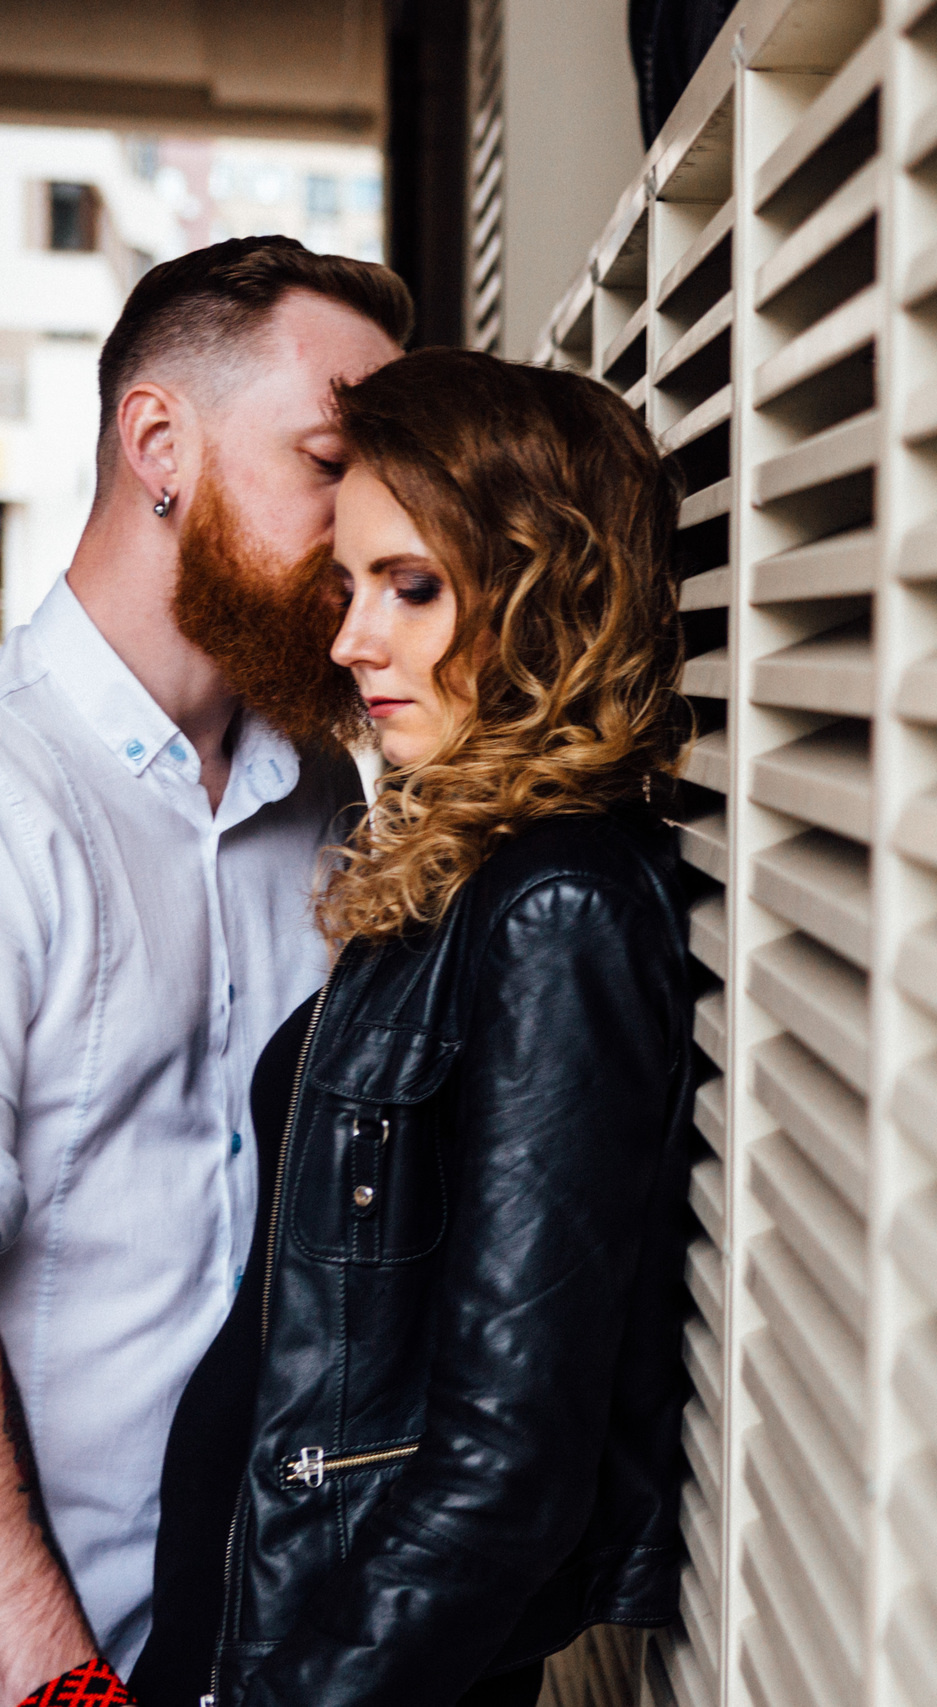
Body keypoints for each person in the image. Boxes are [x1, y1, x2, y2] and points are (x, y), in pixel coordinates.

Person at [127, 347, 697, 1707]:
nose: (348, 640)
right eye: (350, 584)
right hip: (258, 1614)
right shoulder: (459, 872)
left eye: (413, 587)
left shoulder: (558, 907)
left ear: (548, 595)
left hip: (335, 1662)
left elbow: (509, 1468)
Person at [0, 237, 408, 1700]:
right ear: (159, 443)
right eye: (330, 458)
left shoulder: (329, 800)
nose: (369, 515)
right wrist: (55, 1679)